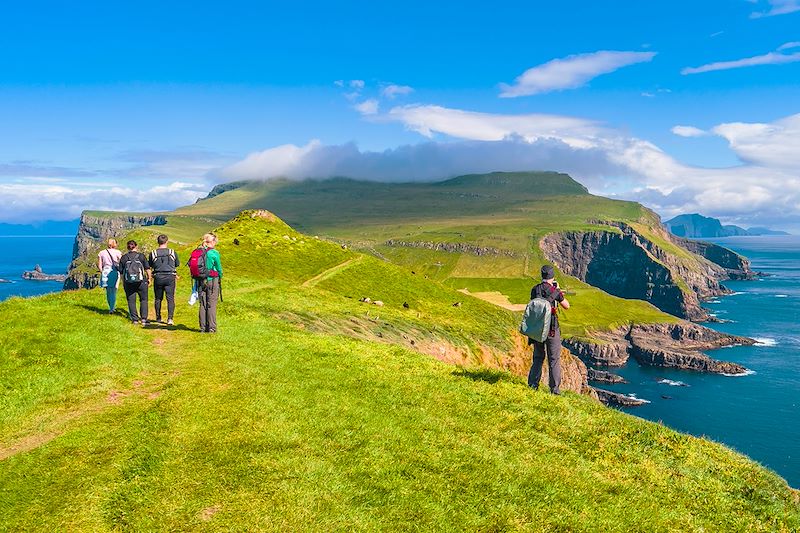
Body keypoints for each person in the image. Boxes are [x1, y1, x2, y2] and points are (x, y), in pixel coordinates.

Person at [528, 264, 570, 394]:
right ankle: (555, 390)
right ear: (553, 277)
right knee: (554, 359)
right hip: (552, 329)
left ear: (542, 276)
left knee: (538, 357)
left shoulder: (535, 289)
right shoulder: (554, 291)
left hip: (537, 329)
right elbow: (566, 306)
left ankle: (533, 385)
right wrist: (558, 293)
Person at [149, 234, 180, 325]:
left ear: (158, 242)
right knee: (170, 298)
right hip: (170, 276)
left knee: (158, 298)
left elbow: (150, 264)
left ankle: (158, 317)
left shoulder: (153, 253)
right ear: (167, 242)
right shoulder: (172, 252)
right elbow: (177, 264)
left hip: (158, 276)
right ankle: (170, 319)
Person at [118, 240, 151, 326]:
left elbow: (121, 272)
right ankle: (144, 319)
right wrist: (149, 278)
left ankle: (135, 320)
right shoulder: (141, 256)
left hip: (128, 282)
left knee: (131, 301)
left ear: (127, 247)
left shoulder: (124, 257)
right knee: (143, 300)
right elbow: (147, 268)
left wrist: (123, 282)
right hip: (141, 281)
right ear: (136, 246)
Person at [198, 233, 223, 333]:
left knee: (203, 304)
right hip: (212, 280)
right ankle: (212, 328)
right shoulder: (214, 253)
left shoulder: (200, 252)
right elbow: (219, 268)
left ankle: (203, 327)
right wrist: (220, 275)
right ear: (212, 242)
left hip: (201, 280)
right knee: (211, 304)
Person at [97, 238, 122, 314]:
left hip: (105, 271)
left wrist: (102, 271)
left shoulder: (101, 253)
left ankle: (110, 307)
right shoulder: (118, 252)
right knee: (114, 290)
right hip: (114, 271)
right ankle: (112, 308)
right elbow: (121, 263)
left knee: (108, 291)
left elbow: (99, 265)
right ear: (115, 244)